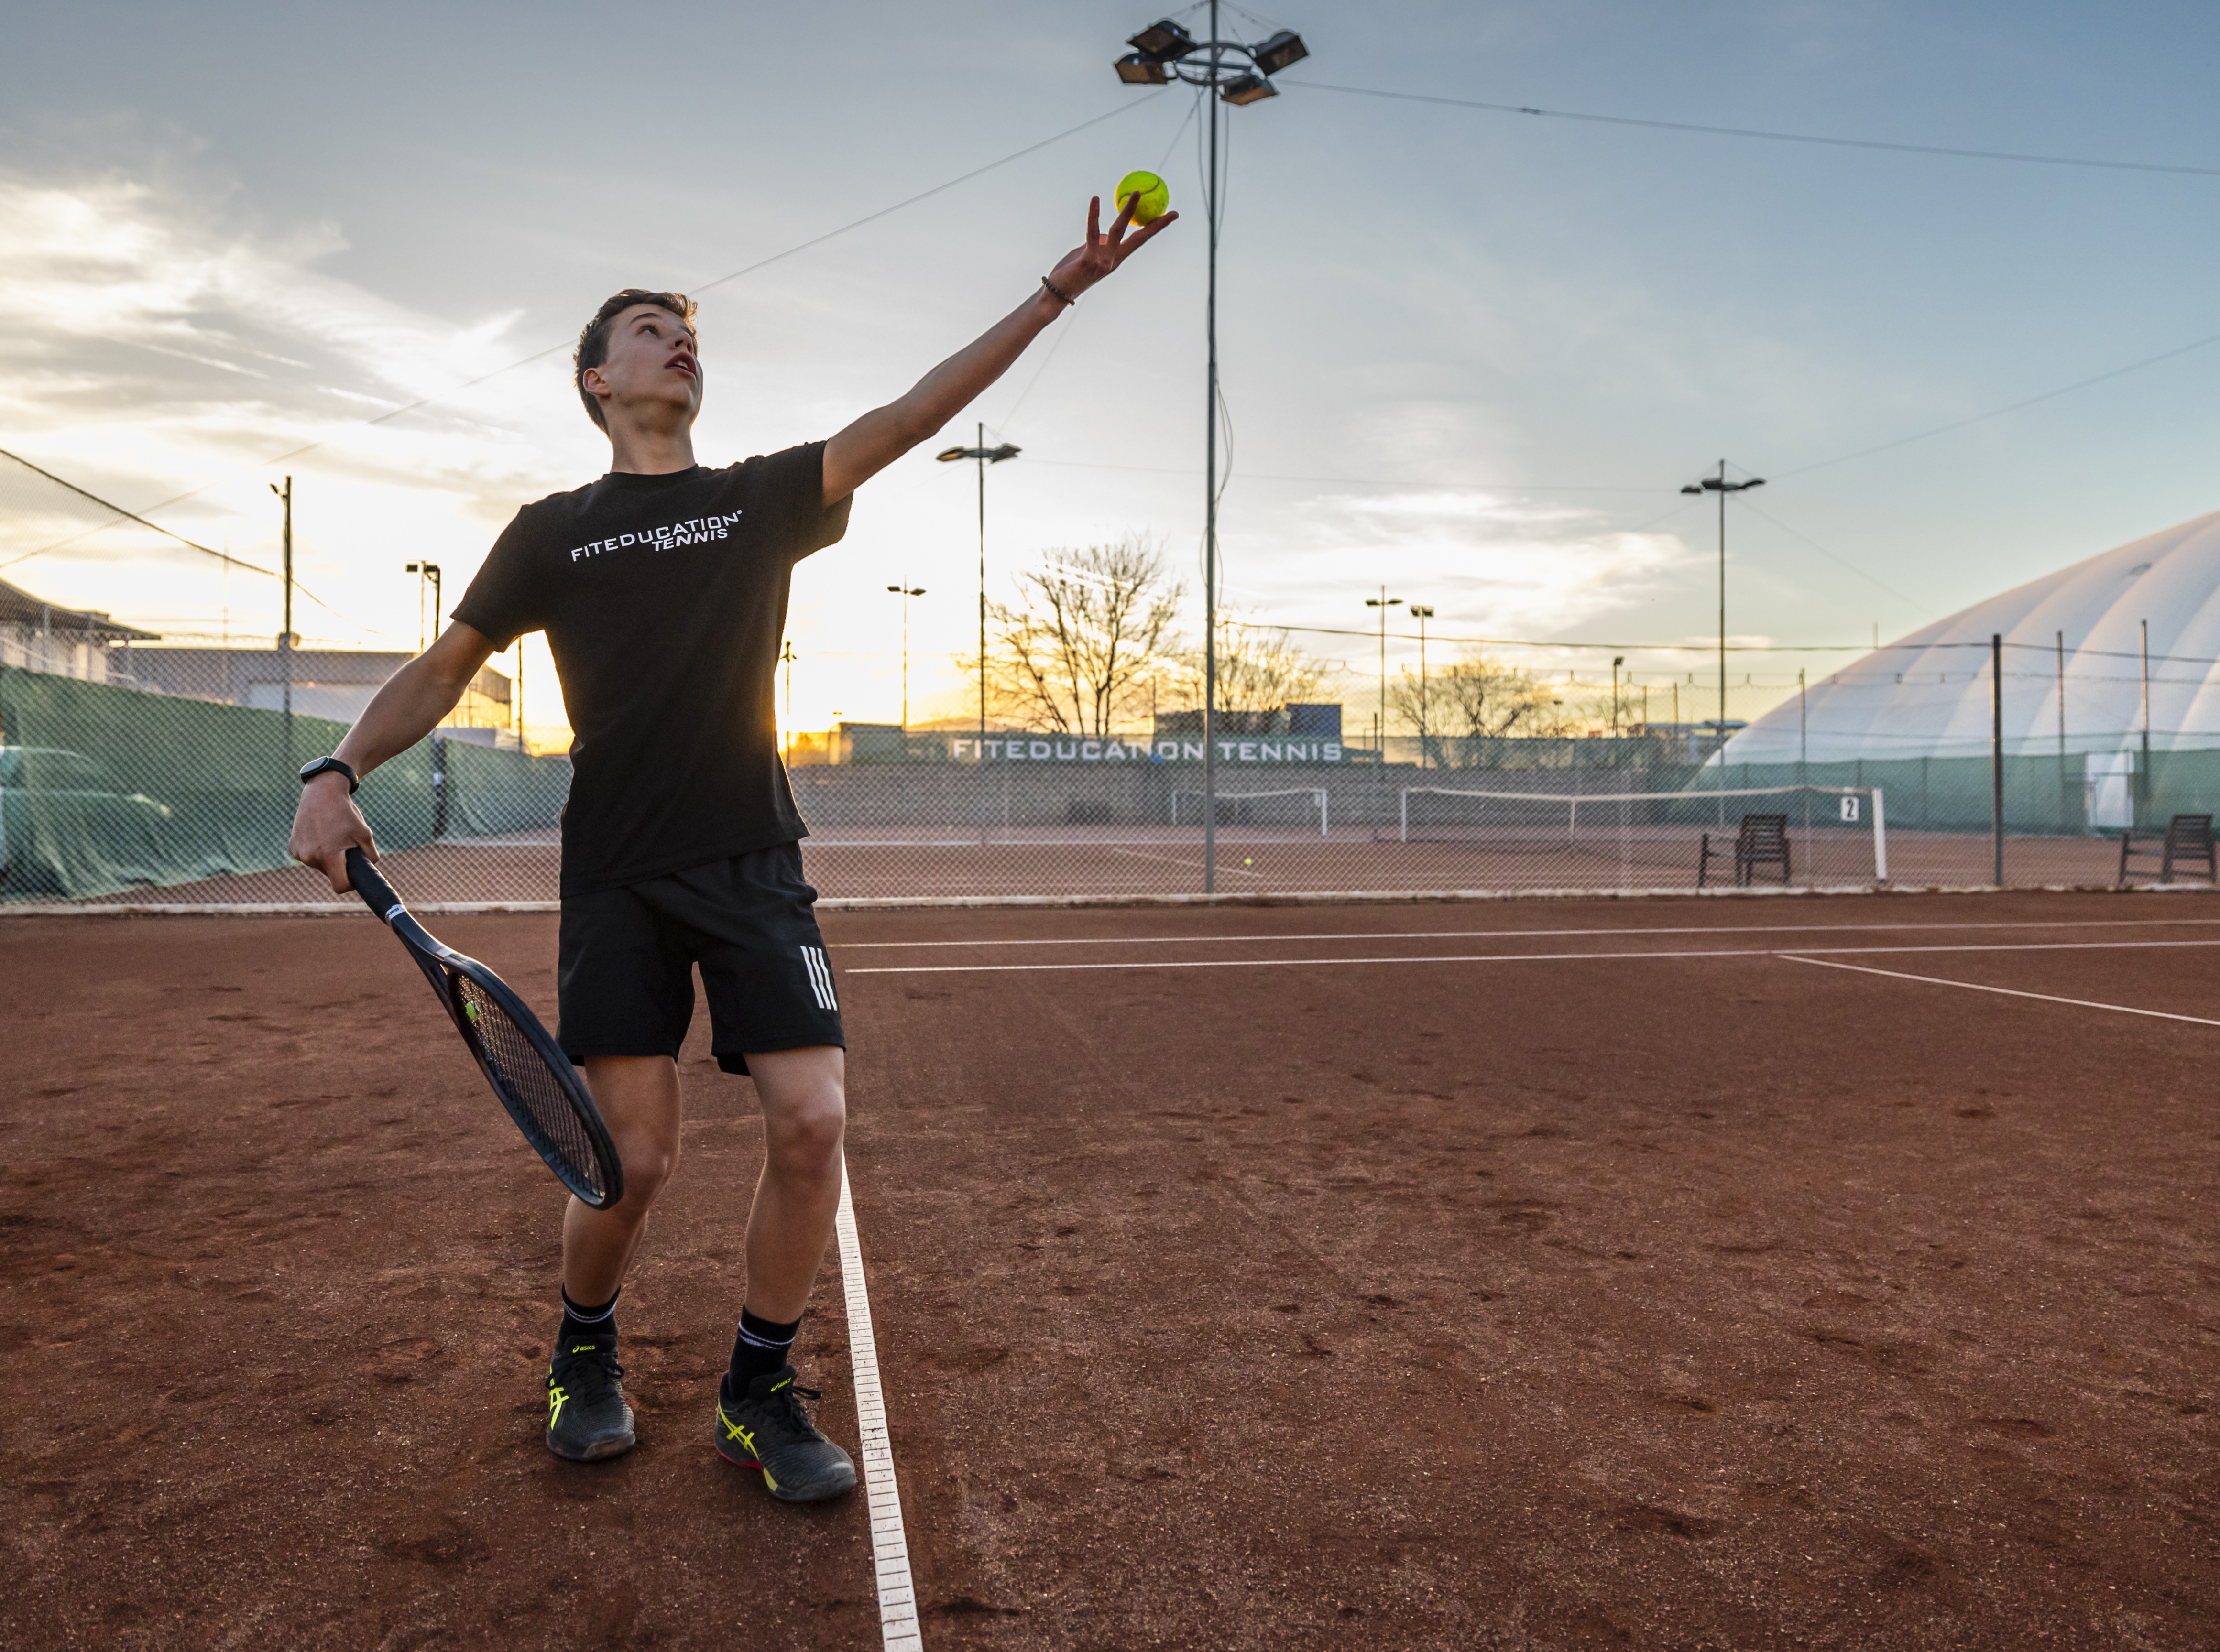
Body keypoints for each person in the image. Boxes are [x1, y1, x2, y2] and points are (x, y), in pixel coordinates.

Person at [287, 194, 1174, 1501]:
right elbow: (444, 666)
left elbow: (912, 416)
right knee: (632, 1162)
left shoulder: (756, 498)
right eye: (650, 330)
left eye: (687, 331)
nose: (678, 342)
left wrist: (1056, 294)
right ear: (597, 382)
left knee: (813, 1121)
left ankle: (757, 1389)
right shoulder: (550, 529)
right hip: (616, 875)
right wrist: (334, 770)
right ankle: (583, 1353)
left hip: (754, 860)